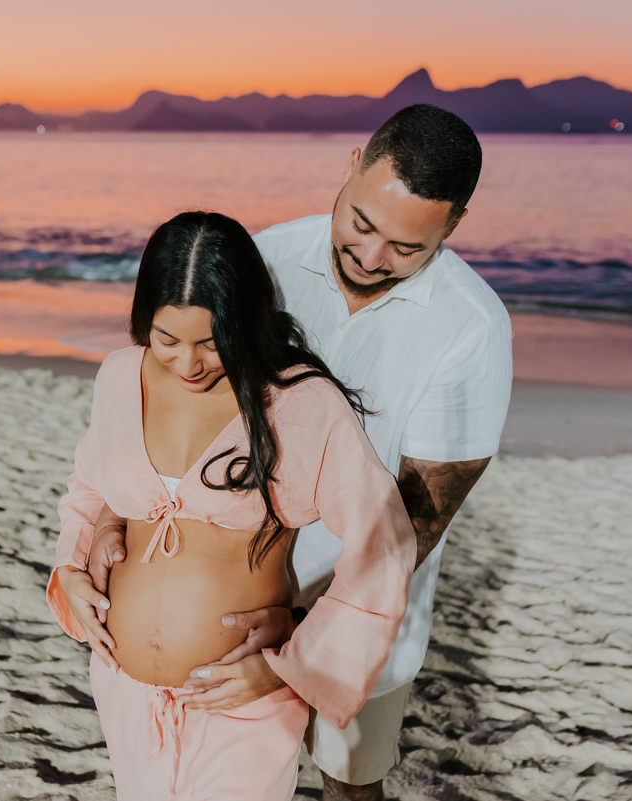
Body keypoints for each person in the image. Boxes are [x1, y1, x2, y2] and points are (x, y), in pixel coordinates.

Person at [85, 105, 513, 800]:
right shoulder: (265, 262)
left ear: (453, 225)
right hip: (236, 596)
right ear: (350, 168)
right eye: (362, 223)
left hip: (357, 609)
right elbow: (172, 399)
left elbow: (422, 513)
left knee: (350, 779)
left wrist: (303, 635)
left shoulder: (471, 327)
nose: (371, 257)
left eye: (407, 248)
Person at [46, 211, 417, 801]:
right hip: (123, 687)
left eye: (211, 343)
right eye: (166, 340)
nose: (188, 364)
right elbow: (90, 485)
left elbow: (384, 546)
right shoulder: (120, 376)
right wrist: (69, 568)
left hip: (242, 697)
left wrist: (289, 660)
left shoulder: (296, 402)